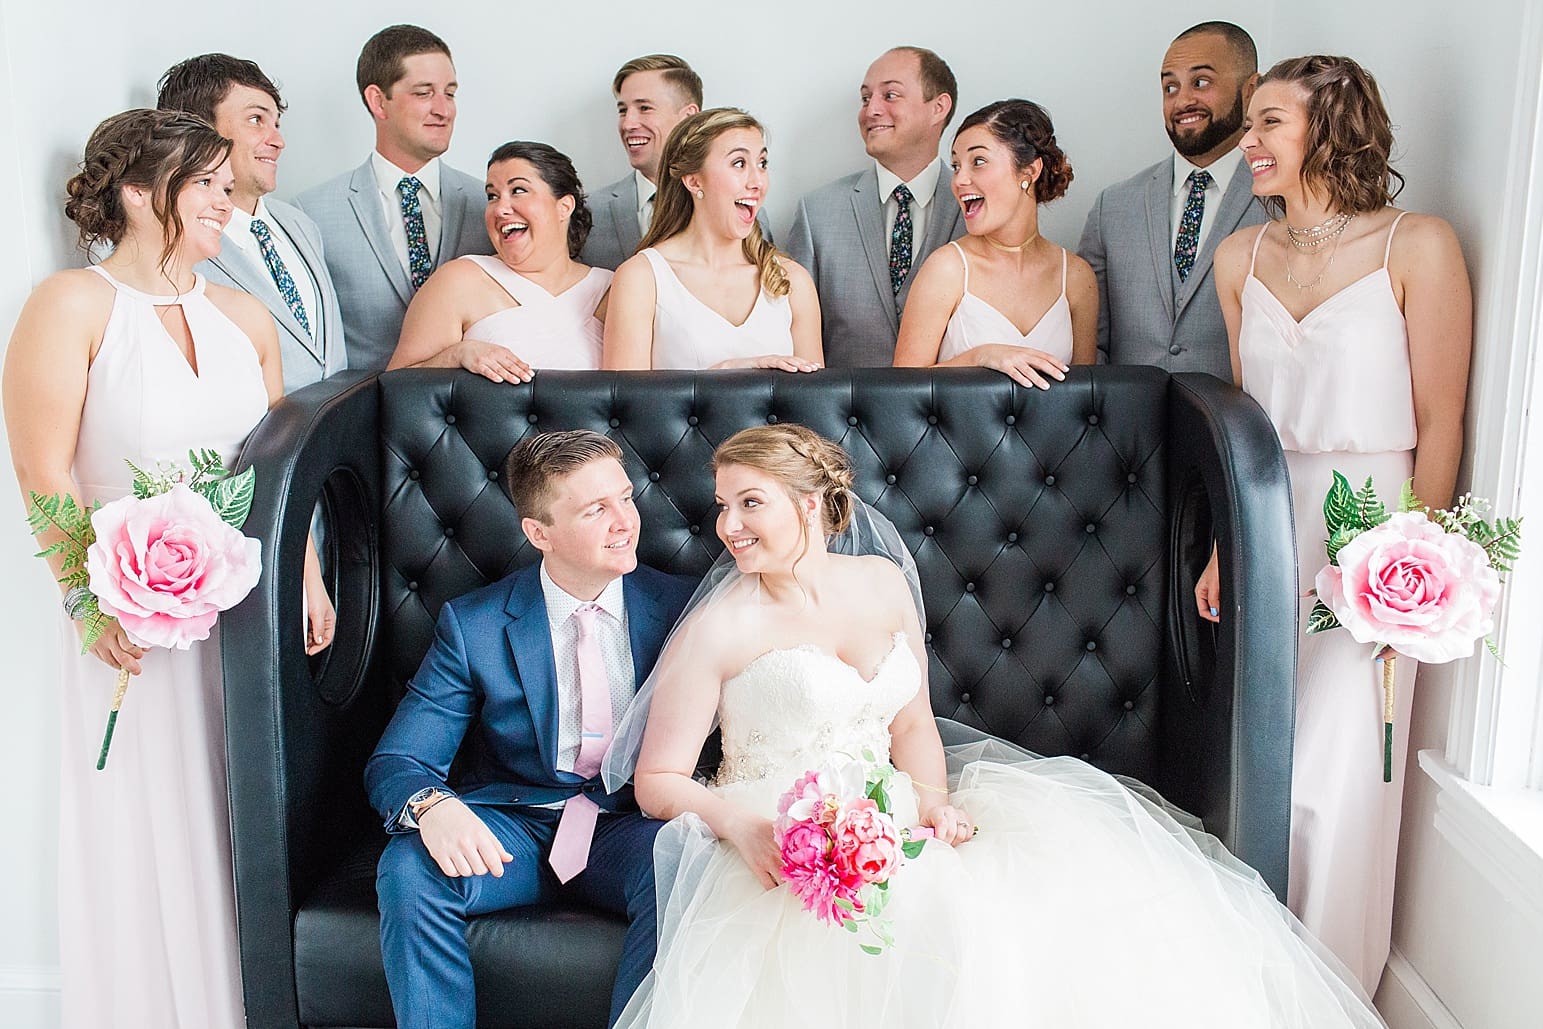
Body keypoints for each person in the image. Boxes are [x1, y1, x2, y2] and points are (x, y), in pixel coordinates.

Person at [605, 423, 1384, 1028]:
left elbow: (910, 722)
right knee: (914, 923)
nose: (728, 525)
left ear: (809, 504)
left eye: (750, 502)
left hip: (894, 809)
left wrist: (935, 800)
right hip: (779, 837)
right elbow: (657, 780)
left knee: (1039, 912)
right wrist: (741, 827)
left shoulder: (879, 582)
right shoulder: (719, 625)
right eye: (721, 505)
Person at [2, 109, 333, 1029]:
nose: (228, 202)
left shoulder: (242, 315)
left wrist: (303, 573)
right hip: (124, 619)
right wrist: (85, 602)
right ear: (141, 193)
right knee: (146, 822)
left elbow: (279, 467)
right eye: (208, 186)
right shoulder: (69, 305)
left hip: (239, 610)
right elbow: (43, 470)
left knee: (242, 813)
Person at [1202, 54, 1471, 992]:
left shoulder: (1417, 245)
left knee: (1340, 774)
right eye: (1250, 123)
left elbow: (1441, 418)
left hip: (1375, 534)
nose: (1249, 140)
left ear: (1331, 126)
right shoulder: (1239, 256)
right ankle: (1251, 973)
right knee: (1260, 768)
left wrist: (1418, 563)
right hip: (1270, 524)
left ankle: (1326, 987)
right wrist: (1219, 545)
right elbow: (1240, 420)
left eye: (1269, 121)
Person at [365, 430, 695, 1029]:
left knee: (677, 859)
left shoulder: (682, 609)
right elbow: (399, 760)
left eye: (625, 498)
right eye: (596, 510)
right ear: (538, 533)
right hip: (515, 828)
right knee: (409, 867)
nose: (625, 522)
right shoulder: (475, 625)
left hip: (627, 824)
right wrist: (432, 805)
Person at [295, 24, 493, 372]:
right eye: (423, 93)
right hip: (358, 414)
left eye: (450, 93)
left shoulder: (489, 205)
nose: (443, 110)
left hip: (477, 415)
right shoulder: (311, 213)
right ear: (378, 101)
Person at [1077, 21, 1266, 381]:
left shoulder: (1280, 202)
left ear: (1252, 89)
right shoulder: (1112, 207)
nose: (1182, 101)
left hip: (1236, 429)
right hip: (1131, 430)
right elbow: (1091, 345)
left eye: (1201, 82)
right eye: (1170, 87)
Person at [157, 54, 348, 392]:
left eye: (276, 124)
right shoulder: (169, 246)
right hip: (249, 443)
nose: (277, 140)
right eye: (257, 120)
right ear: (199, 133)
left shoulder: (301, 225)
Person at [893, 99, 1097, 386]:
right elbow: (899, 390)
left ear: (1029, 171)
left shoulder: (1076, 276)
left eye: (978, 162)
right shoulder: (947, 269)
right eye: (955, 166)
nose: (959, 180)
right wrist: (979, 357)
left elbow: (1085, 397)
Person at [601, 108, 822, 372]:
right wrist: (720, 379)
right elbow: (627, 407)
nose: (758, 182)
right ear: (694, 181)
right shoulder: (642, 278)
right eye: (739, 163)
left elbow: (816, 404)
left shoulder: (792, 281)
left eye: (762, 164)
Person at [786, 46, 965, 367]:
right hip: (840, 415)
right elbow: (795, 347)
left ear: (939, 107)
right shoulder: (817, 213)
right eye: (866, 98)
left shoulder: (976, 208)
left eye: (890, 95)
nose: (870, 111)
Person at [387, 142, 610, 380]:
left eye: (518, 190)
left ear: (564, 206)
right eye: (492, 196)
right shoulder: (459, 280)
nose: (501, 209)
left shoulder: (612, 289)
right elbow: (395, 386)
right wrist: (456, 355)